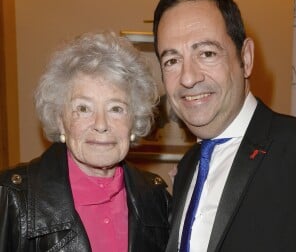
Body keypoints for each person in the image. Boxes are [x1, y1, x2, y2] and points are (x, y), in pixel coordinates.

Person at [153, 0, 296, 252]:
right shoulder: (187, 167)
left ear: (245, 57)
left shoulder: (294, 150)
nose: (188, 78)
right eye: (172, 61)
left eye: (207, 54)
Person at [0, 31, 171, 252]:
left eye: (116, 109)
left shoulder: (157, 198)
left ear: (134, 120)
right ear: (61, 121)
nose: (101, 124)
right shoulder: (11, 197)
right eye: (83, 108)